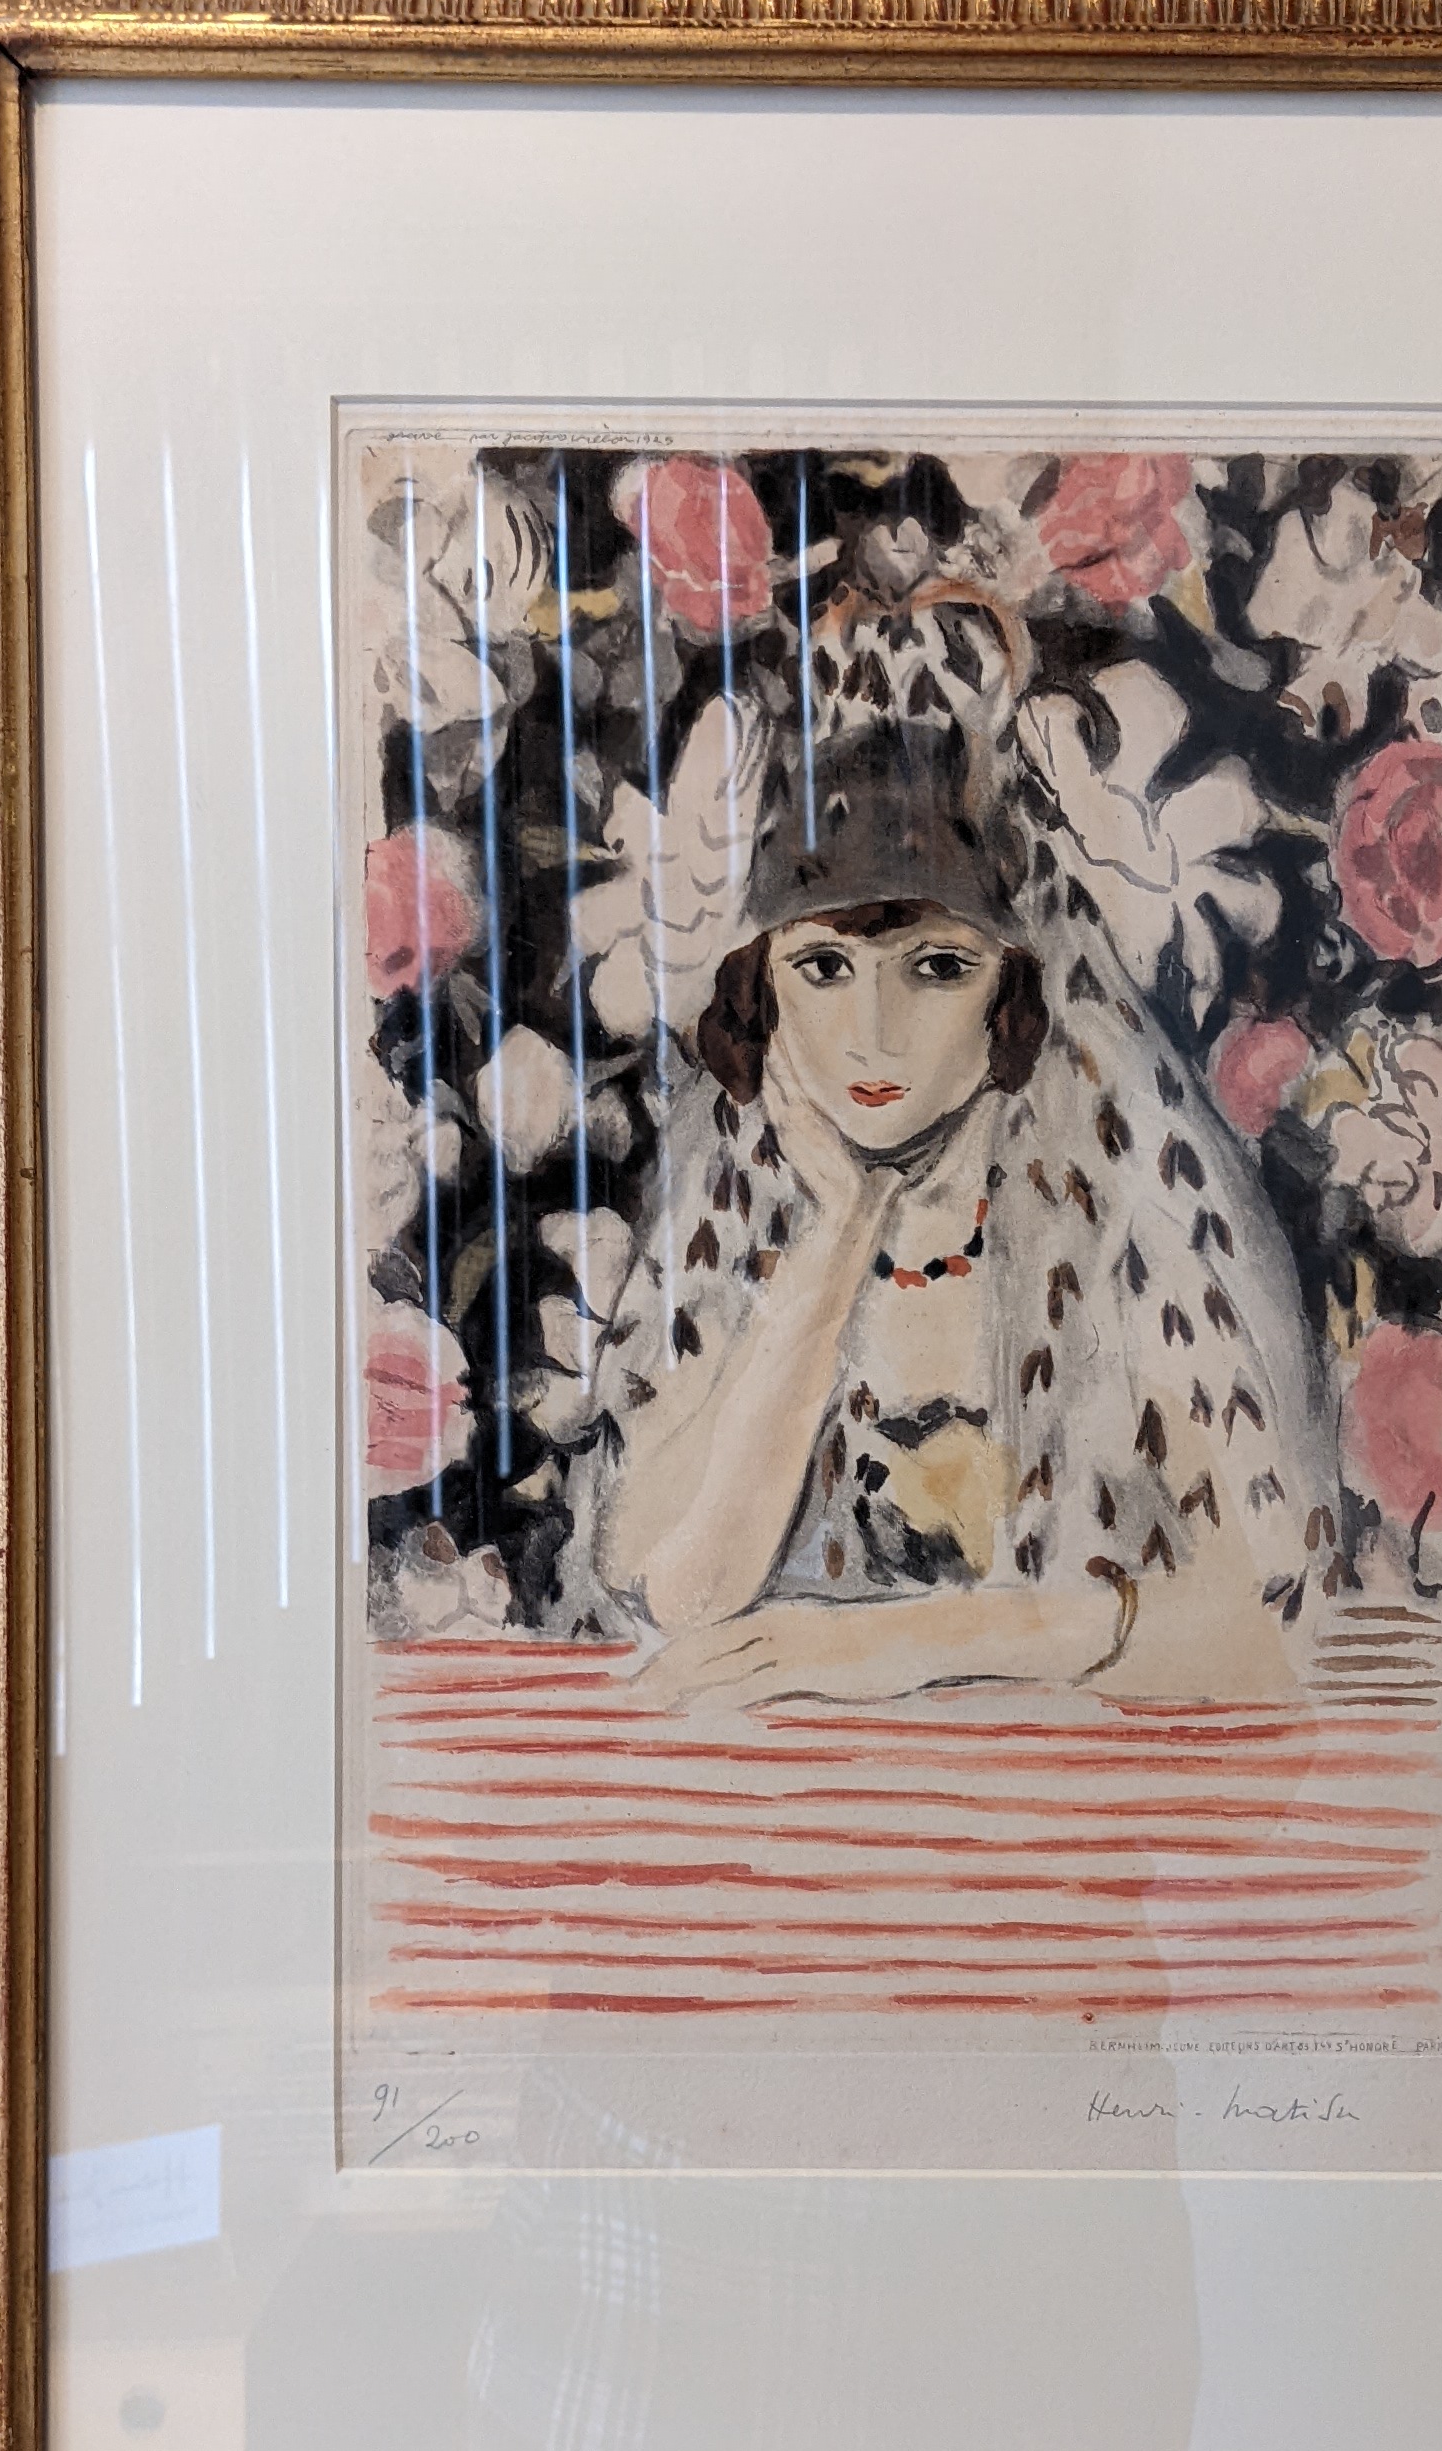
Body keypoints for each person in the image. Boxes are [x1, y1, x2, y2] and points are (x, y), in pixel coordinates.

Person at [562, 714, 1343, 1707]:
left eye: (937, 968)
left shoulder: (1112, 1208)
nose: (872, 1035)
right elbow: (681, 1594)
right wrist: (841, 1233)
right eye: (823, 968)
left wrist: (911, 1641)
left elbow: (1260, 1633)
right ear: (761, 985)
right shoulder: (744, 1209)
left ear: (1012, 991)